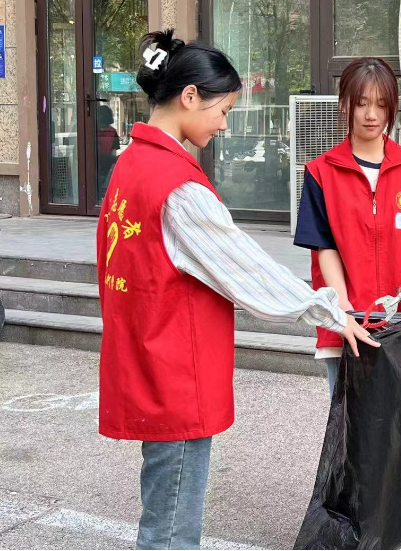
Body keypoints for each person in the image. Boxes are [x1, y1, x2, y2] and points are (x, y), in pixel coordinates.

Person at [96, 29, 377, 551]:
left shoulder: (130, 164)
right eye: (222, 110)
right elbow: (246, 269)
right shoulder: (177, 186)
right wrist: (328, 311)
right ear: (189, 97)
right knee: (171, 528)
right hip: (174, 369)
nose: (224, 124)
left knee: (162, 508)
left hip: (144, 355)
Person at [294, 57, 401, 397]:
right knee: (350, 421)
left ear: (393, 107)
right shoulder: (321, 173)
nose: (371, 115)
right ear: (345, 104)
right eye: (361, 103)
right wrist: (343, 312)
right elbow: (325, 249)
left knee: (400, 421)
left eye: (381, 104)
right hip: (348, 322)